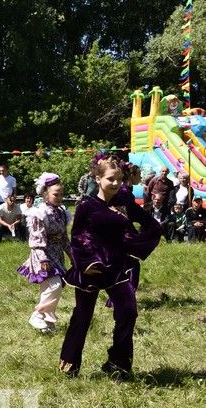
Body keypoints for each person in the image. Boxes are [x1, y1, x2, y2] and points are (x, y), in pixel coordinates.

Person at [59, 157, 162, 378]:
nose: (115, 184)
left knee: (128, 312)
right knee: (82, 316)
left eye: (119, 179)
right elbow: (78, 238)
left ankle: (118, 364)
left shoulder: (123, 201)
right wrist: (87, 264)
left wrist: (134, 247)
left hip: (118, 269)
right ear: (98, 179)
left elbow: (151, 225)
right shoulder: (86, 206)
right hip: (92, 269)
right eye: (110, 179)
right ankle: (69, 364)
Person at [17, 174, 70, 334]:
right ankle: (38, 315)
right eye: (56, 194)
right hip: (43, 255)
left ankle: (48, 324)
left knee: (48, 288)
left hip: (57, 254)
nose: (59, 197)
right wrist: (43, 258)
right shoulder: (39, 213)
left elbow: (64, 238)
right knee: (55, 286)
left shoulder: (61, 212)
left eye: (61, 194)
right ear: (46, 193)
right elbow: (36, 238)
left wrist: (71, 255)